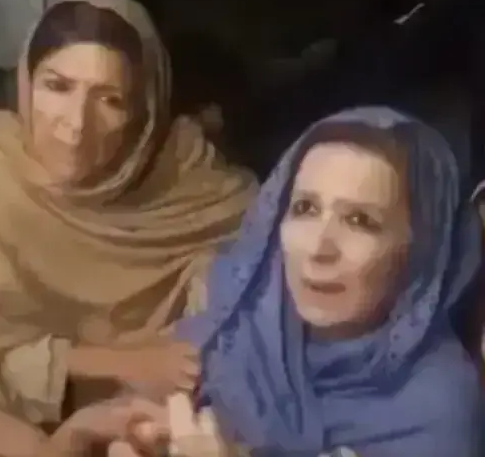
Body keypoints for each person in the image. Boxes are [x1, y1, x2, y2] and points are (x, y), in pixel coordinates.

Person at [0, 0, 258, 426]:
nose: (76, 124)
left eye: (110, 99)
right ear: (27, 82)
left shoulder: (188, 177)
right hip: (15, 428)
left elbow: (246, 304)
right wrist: (121, 363)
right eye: (57, 86)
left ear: (144, 110)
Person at [169, 107, 483, 455]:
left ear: (420, 251)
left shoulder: (437, 410)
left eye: (360, 220)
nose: (318, 248)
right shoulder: (240, 328)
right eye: (305, 208)